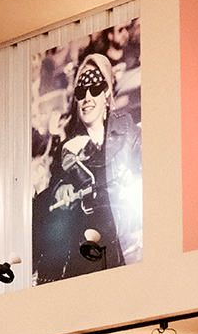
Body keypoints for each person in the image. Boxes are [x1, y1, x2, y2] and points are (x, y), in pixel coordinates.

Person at [34, 52, 142, 282]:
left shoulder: (128, 132)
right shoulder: (67, 149)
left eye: (95, 87)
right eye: (81, 91)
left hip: (126, 249)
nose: (87, 97)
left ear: (107, 92)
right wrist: (60, 191)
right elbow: (55, 192)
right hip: (84, 259)